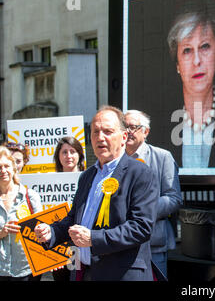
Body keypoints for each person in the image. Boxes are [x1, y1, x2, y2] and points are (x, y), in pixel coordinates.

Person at [34, 105, 159, 281]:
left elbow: (141, 227)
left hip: (122, 274)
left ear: (123, 137)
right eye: (95, 132)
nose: (100, 137)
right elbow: (74, 219)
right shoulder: (87, 176)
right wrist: (52, 232)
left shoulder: (140, 173)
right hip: (86, 272)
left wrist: (94, 238)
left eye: (108, 131)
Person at [124, 109, 182, 278]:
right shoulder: (114, 160)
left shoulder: (162, 157)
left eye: (133, 127)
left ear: (146, 131)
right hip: (120, 244)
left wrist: (141, 210)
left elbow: (173, 198)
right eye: (124, 127)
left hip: (152, 244)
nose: (127, 132)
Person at [167, 4, 215, 168]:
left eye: (205, 46)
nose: (196, 61)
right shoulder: (161, 127)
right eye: (187, 50)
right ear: (178, 64)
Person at [0, 146, 43, 280]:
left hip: (27, 270)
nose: (3, 171)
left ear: (13, 168)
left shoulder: (30, 197)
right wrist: (2, 232)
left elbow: (43, 231)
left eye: (6, 166)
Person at [50, 136, 86, 281]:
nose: (68, 156)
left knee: (78, 276)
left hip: (80, 243)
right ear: (58, 156)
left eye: (73, 151)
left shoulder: (89, 179)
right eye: (64, 152)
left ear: (79, 155)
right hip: (58, 244)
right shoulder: (48, 183)